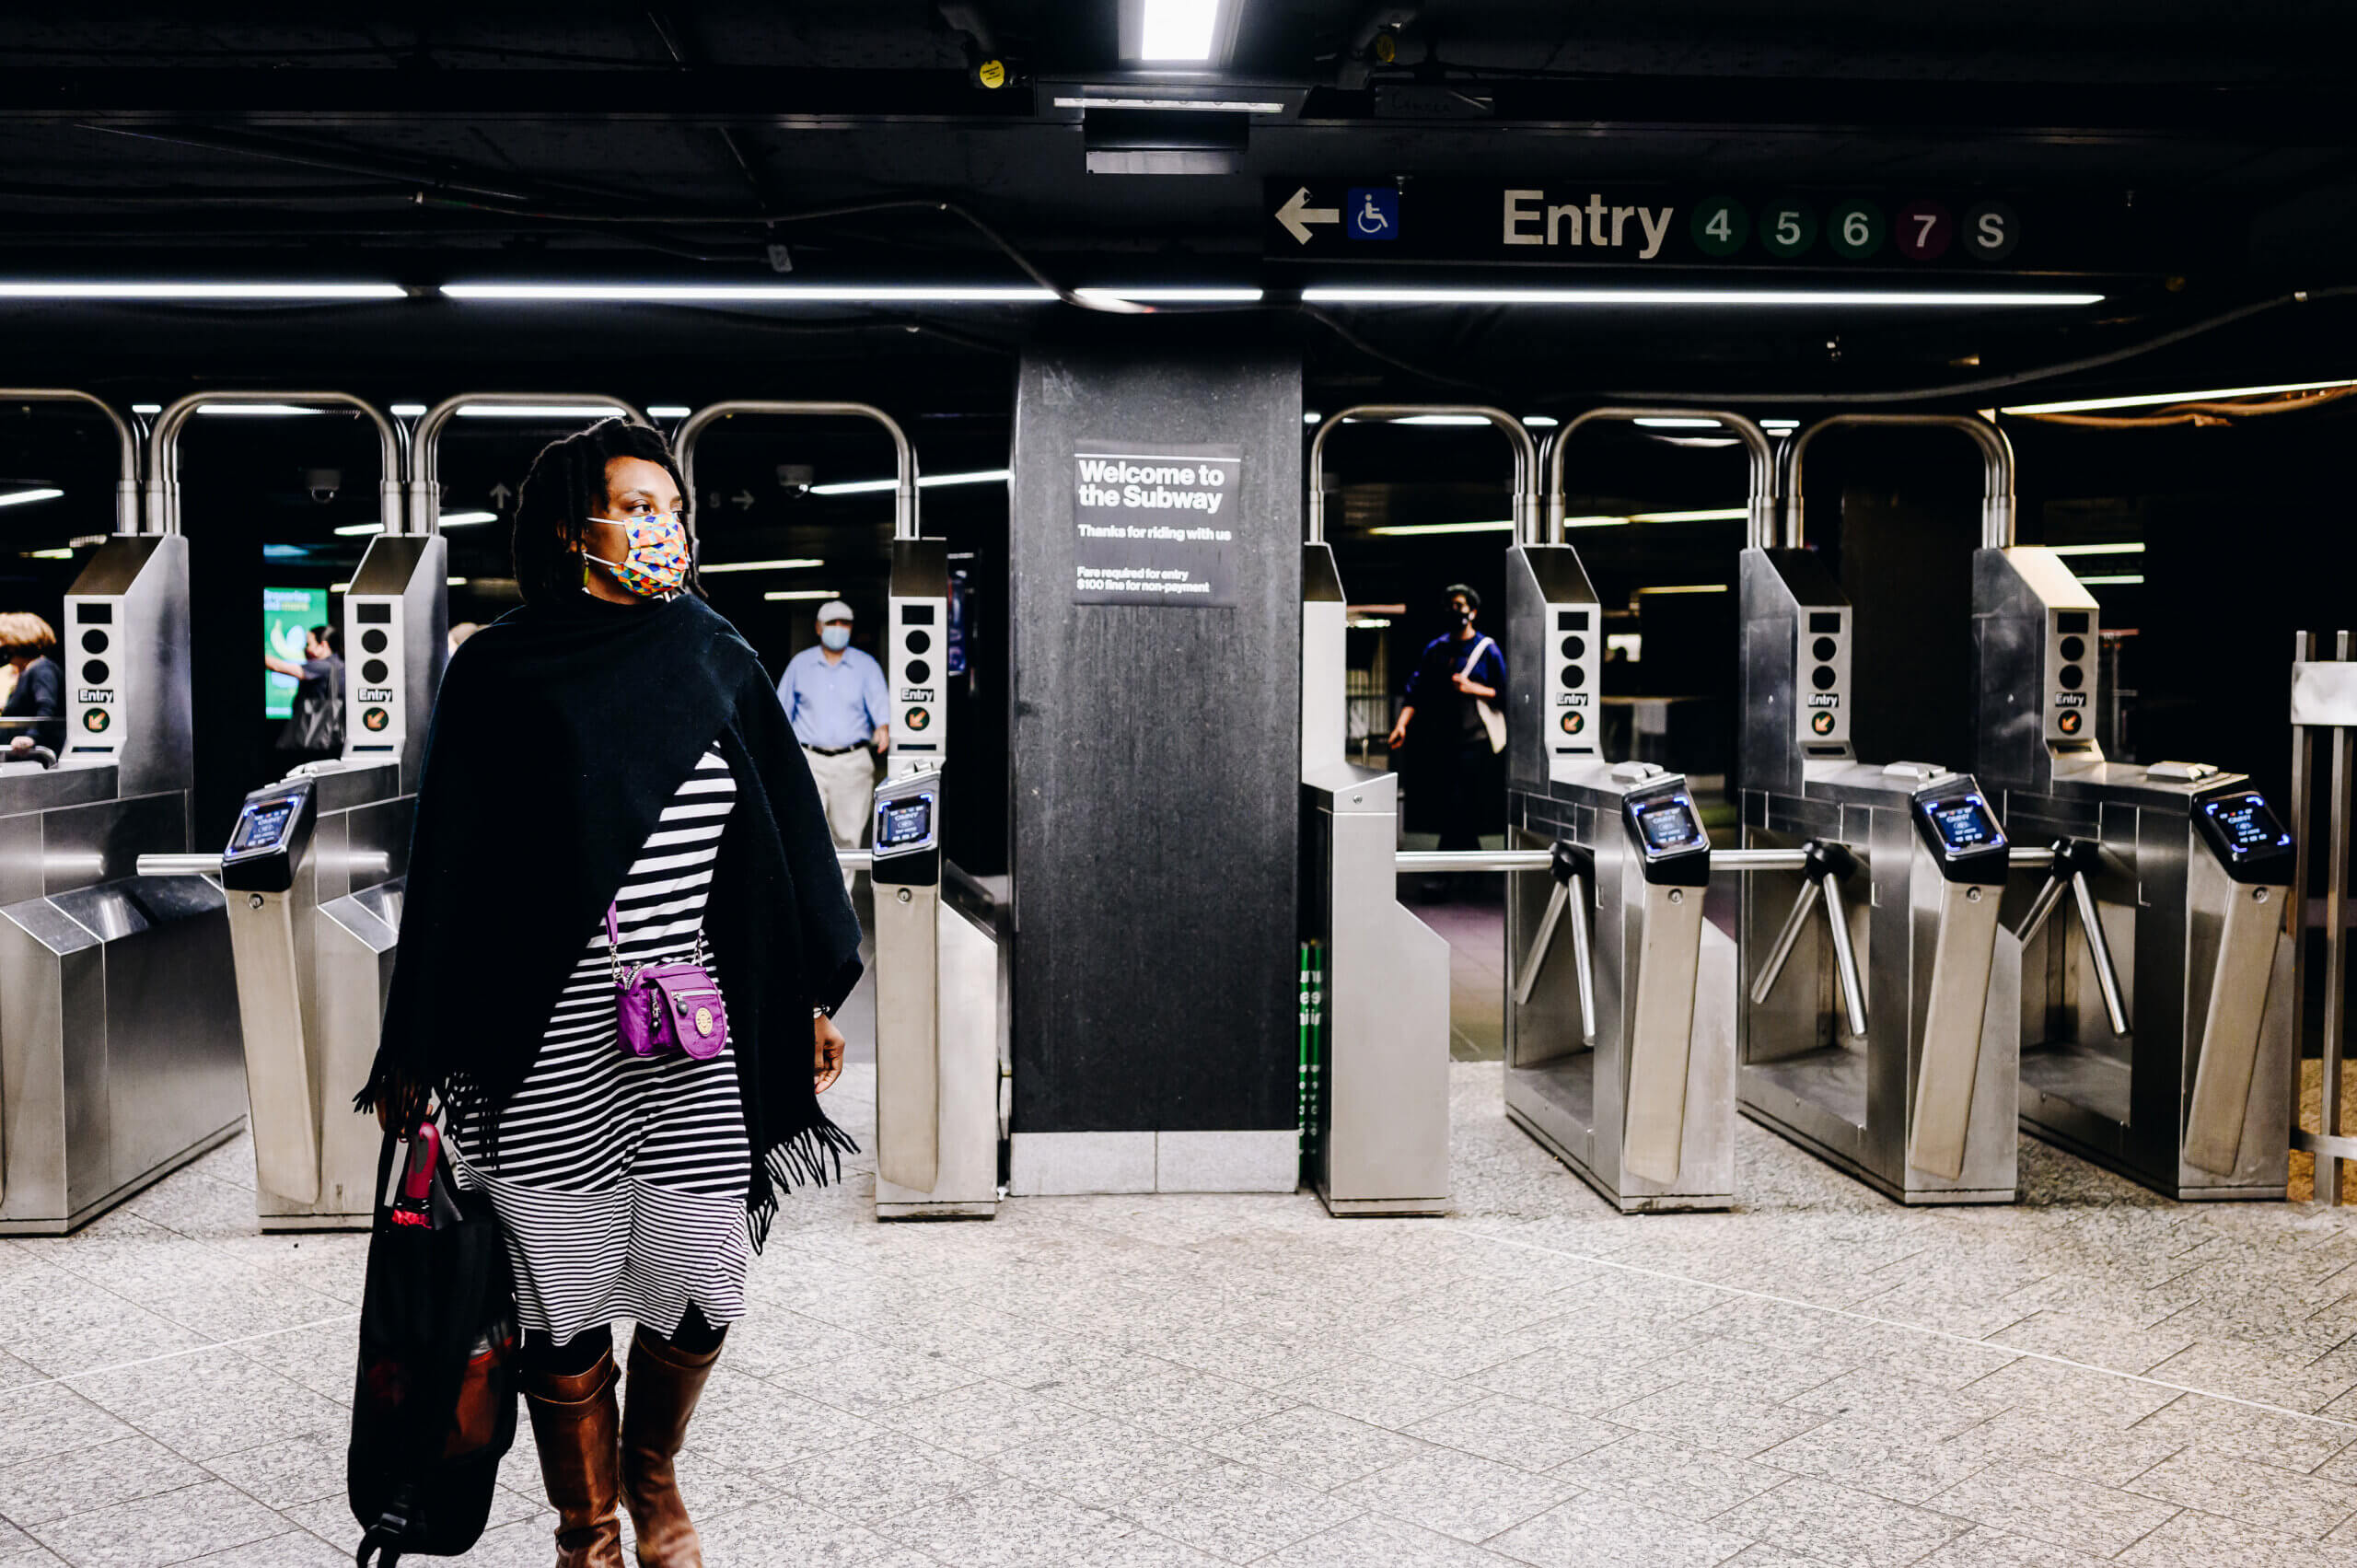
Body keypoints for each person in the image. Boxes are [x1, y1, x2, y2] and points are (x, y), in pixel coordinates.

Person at [360, 419, 862, 1568]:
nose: (659, 528)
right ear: (568, 524)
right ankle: (586, 1524)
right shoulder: (499, 668)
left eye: (669, 507)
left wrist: (802, 998)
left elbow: (778, 850)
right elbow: (454, 867)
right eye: (633, 506)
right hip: (547, 1036)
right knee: (561, 1284)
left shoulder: (714, 655)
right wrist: (419, 1046)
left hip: (691, 1029)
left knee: (700, 1279)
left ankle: (654, 1470)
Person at [774, 599, 889, 885]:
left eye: (844, 623)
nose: (838, 629)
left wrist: (884, 729)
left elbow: (881, 713)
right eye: (832, 623)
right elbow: (779, 713)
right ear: (818, 627)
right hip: (808, 760)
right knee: (804, 831)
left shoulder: (866, 666)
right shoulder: (800, 665)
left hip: (852, 763)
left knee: (847, 838)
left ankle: (841, 905)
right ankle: (808, 904)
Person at [1387, 584, 1507, 853]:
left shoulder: (1487, 650)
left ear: (1473, 612)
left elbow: (1506, 692)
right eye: (1451, 605)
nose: (1455, 611)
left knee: (1463, 801)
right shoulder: (1437, 649)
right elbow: (1415, 691)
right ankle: (1470, 865)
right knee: (1452, 802)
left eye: (1460, 605)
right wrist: (1401, 725)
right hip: (1442, 738)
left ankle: (1445, 869)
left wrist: (1472, 688)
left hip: (1477, 740)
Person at [265, 622, 344, 761]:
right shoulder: (340, 665)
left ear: (323, 646)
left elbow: (279, 667)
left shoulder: (324, 666)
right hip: (332, 739)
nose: (305, 649)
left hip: (315, 738)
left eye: (309, 644)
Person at [0, 612, 64, 759]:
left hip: (36, 758)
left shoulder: (42, 669)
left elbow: (47, 707)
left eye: (3, 640)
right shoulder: (28, 671)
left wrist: (31, 738)